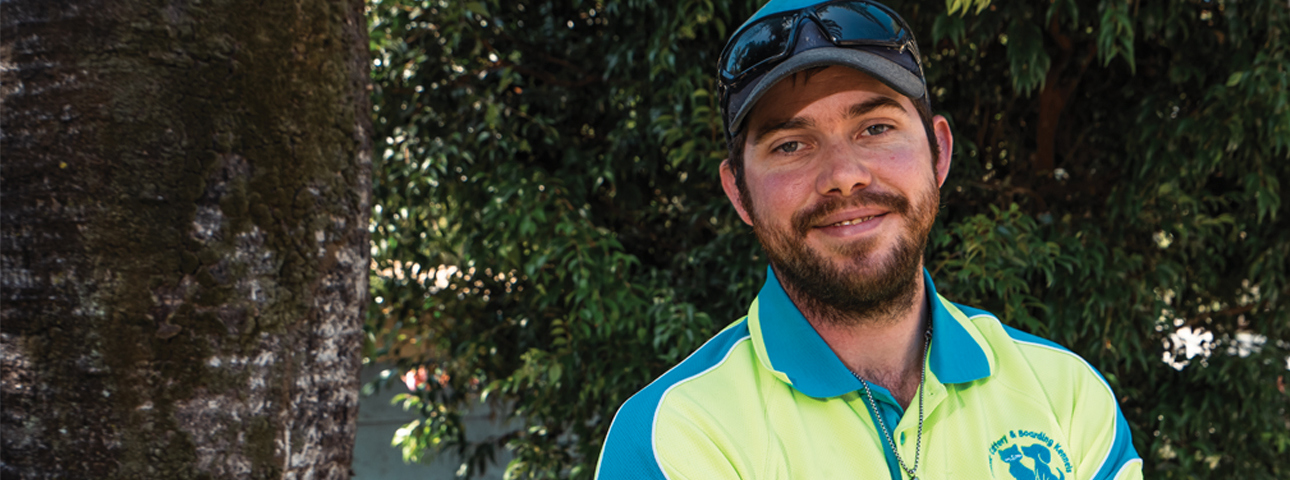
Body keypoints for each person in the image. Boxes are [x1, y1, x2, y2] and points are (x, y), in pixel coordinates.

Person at [595, 0, 1143, 478]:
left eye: (875, 128)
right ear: (739, 193)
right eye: (790, 145)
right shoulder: (677, 432)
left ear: (939, 153)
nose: (844, 175)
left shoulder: (1065, 393)